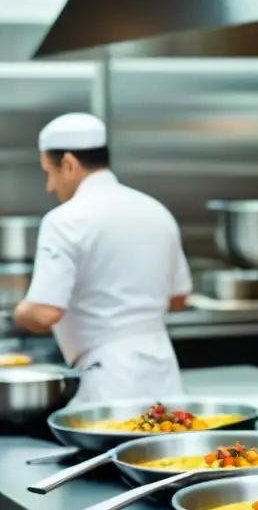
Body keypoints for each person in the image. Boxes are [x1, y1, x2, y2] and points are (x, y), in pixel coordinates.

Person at [14, 112, 192, 404]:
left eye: (50, 172)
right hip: (164, 373)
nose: (50, 186)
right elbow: (179, 299)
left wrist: (17, 314)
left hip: (109, 382)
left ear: (69, 164)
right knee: (164, 448)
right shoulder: (155, 210)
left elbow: (44, 313)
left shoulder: (65, 220)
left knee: (109, 450)